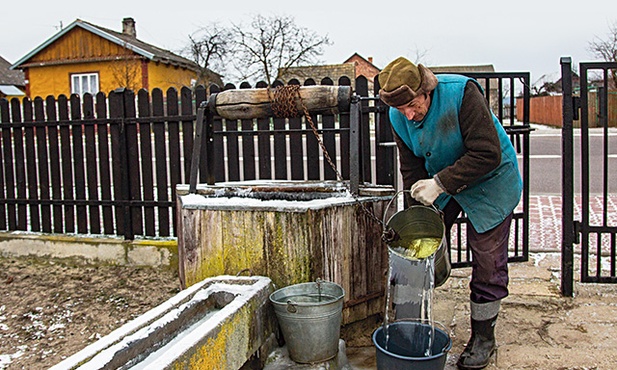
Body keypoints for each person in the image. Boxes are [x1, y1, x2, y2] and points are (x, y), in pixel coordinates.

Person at [378, 56, 522, 370]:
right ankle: (412, 326)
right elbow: (411, 167)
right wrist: (417, 214)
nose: (410, 115)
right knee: (419, 244)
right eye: (402, 109)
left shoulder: (462, 93)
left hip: (491, 180)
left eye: (414, 105)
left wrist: (440, 183)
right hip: (443, 181)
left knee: (486, 255)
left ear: (426, 90)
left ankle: (484, 337)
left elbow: (487, 152)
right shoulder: (398, 114)